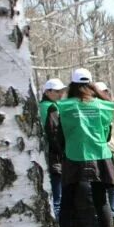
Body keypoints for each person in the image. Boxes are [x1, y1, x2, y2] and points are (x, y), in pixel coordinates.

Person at [56, 68, 114, 227]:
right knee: (102, 201)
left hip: (74, 156)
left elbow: (60, 135)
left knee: (67, 201)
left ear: (72, 85)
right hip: (99, 156)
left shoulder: (65, 106)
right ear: (91, 84)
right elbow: (108, 134)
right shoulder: (103, 106)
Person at [95, 82, 114, 227]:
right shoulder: (93, 108)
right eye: (103, 92)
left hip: (108, 153)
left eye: (106, 91)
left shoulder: (106, 108)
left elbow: (109, 134)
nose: (106, 94)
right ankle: (103, 218)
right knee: (102, 189)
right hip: (96, 155)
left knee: (112, 186)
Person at [39, 78, 67, 219]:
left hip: (42, 153)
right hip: (54, 155)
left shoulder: (40, 105)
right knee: (58, 196)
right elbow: (55, 133)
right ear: (48, 92)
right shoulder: (52, 108)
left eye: (62, 91)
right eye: (57, 91)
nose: (61, 94)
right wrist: (62, 152)